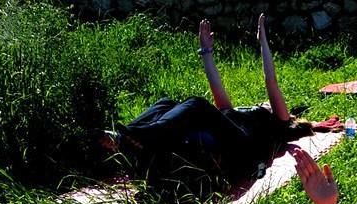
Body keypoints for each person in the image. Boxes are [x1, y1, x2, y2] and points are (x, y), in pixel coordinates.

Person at [100, 14, 314, 191]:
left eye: (268, 103)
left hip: (244, 152)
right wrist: (206, 50)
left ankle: (141, 136)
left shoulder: (279, 123)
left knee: (196, 104)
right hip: (227, 138)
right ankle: (128, 138)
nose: (266, 101)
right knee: (166, 103)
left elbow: (271, 81)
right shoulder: (235, 115)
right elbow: (216, 86)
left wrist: (263, 42)